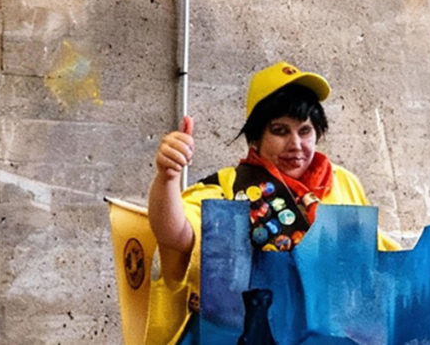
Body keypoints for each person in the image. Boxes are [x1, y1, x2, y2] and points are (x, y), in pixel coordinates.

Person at [145, 61, 399, 343]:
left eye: (305, 130)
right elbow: (175, 235)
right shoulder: (225, 188)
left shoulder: (343, 182)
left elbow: (377, 255)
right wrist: (167, 178)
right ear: (256, 137)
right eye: (280, 130)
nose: (296, 144)